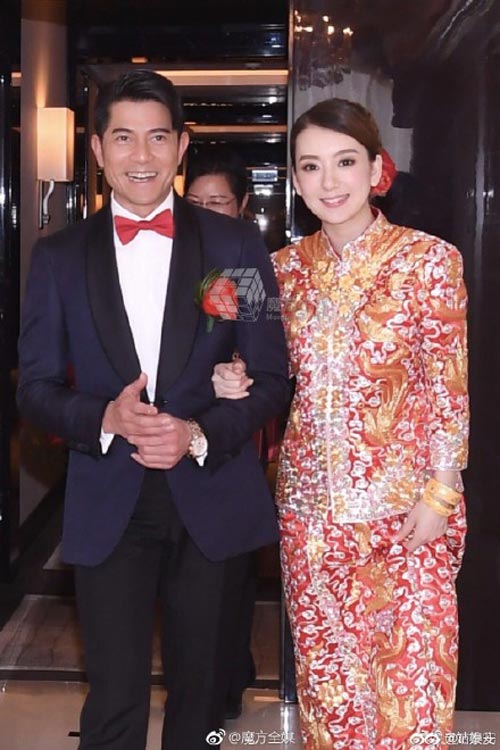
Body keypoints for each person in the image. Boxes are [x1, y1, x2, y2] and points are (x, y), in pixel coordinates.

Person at [17, 70, 290, 750]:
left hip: (212, 494)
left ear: (182, 145)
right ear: (97, 150)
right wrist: (105, 419)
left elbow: (272, 377)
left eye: (158, 137)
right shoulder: (57, 257)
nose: (142, 156)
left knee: (202, 702)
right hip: (108, 497)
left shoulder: (237, 246)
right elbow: (35, 387)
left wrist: (197, 432)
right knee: (113, 700)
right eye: (123, 138)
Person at [212, 98, 469, 749]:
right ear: (296, 181)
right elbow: (228, 338)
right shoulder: (277, 271)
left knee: (411, 692)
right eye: (311, 166)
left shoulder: (429, 261)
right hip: (309, 517)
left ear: (377, 169)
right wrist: (230, 374)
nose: (329, 181)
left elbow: (449, 384)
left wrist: (441, 493)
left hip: (407, 512)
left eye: (345, 162)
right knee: (331, 696)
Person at [184, 144, 256, 720]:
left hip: (232, 434)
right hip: (169, 441)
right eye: (196, 202)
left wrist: (240, 367)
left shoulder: (245, 263)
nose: (206, 213)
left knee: (229, 566)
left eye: (219, 203)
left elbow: (265, 346)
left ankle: (230, 678)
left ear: (243, 206)